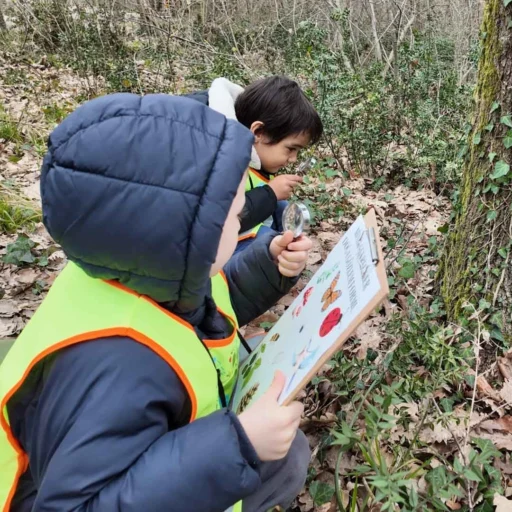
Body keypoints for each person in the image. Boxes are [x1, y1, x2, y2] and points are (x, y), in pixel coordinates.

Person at [0, 93, 314, 512]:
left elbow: (204, 315)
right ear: (179, 231)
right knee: (287, 457)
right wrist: (236, 447)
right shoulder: (119, 366)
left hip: (151, 441)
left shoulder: (140, 266)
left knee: (261, 363)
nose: (242, 216)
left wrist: (269, 263)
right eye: (232, 210)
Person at [186, 76, 323, 252]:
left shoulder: (248, 146)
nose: (293, 159)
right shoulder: (216, 154)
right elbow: (222, 219)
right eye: (291, 149)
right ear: (258, 132)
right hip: (210, 244)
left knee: (282, 207)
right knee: (269, 241)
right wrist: (271, 193)